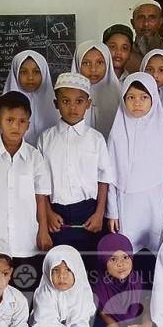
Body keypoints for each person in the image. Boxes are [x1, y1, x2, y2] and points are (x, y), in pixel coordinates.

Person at [38, 72, 112, 268]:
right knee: (60, 268)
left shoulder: (95, 139)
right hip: (57, 214)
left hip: (89, 213)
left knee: (88, 267)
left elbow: (103, 179)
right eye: (65, 101)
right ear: (56, 103)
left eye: (79, 101)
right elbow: (40, 182)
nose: (72, 107)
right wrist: (47, 213)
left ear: (88, 104)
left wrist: (99, 214)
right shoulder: (45, 139)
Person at [0, 91, 52, 291]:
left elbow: (41, 197)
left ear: (28, 125)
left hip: (27, 238)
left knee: (27, 287)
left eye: (22, 121)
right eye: (9, 120)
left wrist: (43, 230)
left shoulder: (34, 157)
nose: (15, 126)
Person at [106, 73, 163, 272]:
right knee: (126, 253)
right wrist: (113, 211)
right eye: (131, 97)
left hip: (154, 203)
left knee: (158, 253)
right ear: (123, 99)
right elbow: (111, 177)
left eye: (144, 97)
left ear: (153, 99)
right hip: (127, 203)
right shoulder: (116, 134)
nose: (137, 103)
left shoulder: (162, 132)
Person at [92, 233, 156, 327]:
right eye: (113, 259)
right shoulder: (100, 285)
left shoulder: (138, 279)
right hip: (113, 325)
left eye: (125, 257)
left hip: (135, 323)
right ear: (104, 262)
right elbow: (104, 314)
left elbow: (147, 306)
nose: (121, 264)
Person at [3, 50, 59, 146]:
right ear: (15, 74)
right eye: (23, 72)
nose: (30, 77)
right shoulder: (3, 109)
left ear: (44, 73)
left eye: (36, 72)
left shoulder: (58, 107)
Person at [72, 40, 122, 138]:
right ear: (78, 64)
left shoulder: (120, 96)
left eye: (99, 62)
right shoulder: (66, 98)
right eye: (86, 63)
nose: (93, 69)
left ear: (108, 63)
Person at [126, 0, 163, 73]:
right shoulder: (126, 52)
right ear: (132, 23)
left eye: (152, 18)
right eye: (141, 18)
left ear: (160, 22)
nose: (146, 23)